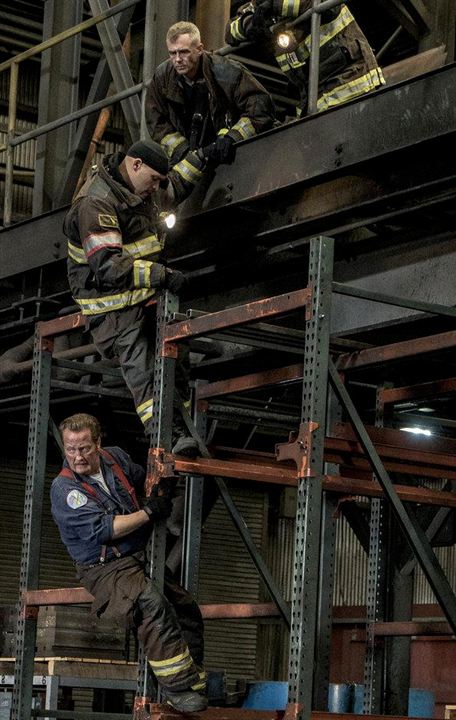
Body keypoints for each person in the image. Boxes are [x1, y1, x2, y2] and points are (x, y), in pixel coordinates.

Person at [50, 413, 207, 713]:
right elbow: (104, 530)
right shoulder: (65, 490)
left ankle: (195, 681)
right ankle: (177, 689)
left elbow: (141, 480)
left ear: (98, 442)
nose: (77, 457)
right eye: (70, 449)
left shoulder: (115, 459)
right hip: (104, 567)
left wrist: (163, 485)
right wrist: (149, 512)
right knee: (150, 602)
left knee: (185, 606)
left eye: (84, 448)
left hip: (138, 555)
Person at [63, 138, 196, 455]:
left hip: (142, 294)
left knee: (178, 359)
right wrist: (159, 275)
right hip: (112, 305)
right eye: (153, 180)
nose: (155, 188)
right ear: (135, 165)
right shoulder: (95, 203)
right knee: (143, 369)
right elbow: (107, 267)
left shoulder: (138, 189)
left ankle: (186, 429)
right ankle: (167, 437)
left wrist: (204, 157)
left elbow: (174, 187)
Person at [145, 21, 275, 198]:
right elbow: (157, 123)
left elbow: (260, 107)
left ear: (199, 49)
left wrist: (232, 137)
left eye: (183, 52)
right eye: (172, 53)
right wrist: (184, 151)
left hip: (229, 152)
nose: (177, 59)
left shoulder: (226, 72)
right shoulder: (162, 77)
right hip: (192, 157)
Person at [225, 1, 385, 116]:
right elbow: (229, 32)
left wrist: (274, 6)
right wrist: (249, 22)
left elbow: (321, 5)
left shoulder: (273, 4)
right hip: (315, 100)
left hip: (354, 85)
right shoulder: (258, 4)